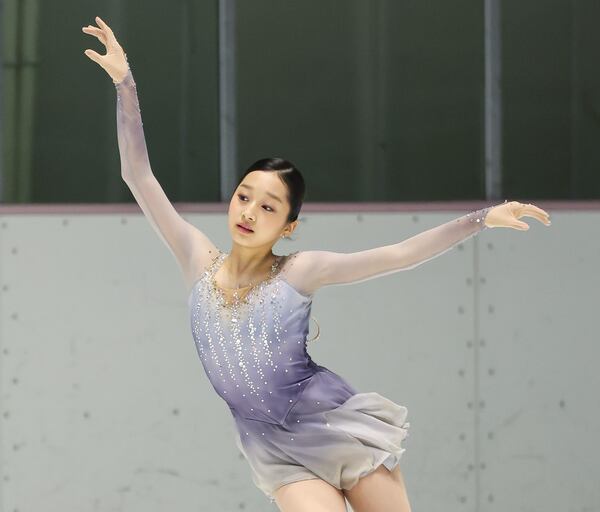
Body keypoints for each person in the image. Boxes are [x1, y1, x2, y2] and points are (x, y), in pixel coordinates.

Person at [82, 15, 551, 512]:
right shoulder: (197, 258)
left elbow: (399, 255)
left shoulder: (299, 271)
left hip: (334, 424)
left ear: (288, 227)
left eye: (268, 207)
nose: (249, 212)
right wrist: (125, 84)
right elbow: (137, 174)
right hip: (272, 447)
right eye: (244, 196)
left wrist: (481, 219)